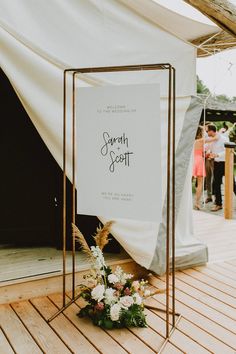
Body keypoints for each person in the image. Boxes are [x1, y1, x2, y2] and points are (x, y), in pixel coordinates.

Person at [207, 124, 227, 211]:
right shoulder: (211, 140)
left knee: (233, 185)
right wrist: (208, 153)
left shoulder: (224, 139)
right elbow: (209, 149)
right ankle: (219, 204)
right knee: (216, 184)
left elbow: (227, 150)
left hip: (226, 163)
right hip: (216, 164)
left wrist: (217, 155)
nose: (207, 132)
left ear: (212, 131)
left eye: (207, 131)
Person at [192, 126, 206, 210]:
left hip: (192, 160)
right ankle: (197, 202)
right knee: (200, 183)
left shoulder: (191, 141)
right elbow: (215, 138)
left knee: (188, 181)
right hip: (199, 161)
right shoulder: (201, 140)